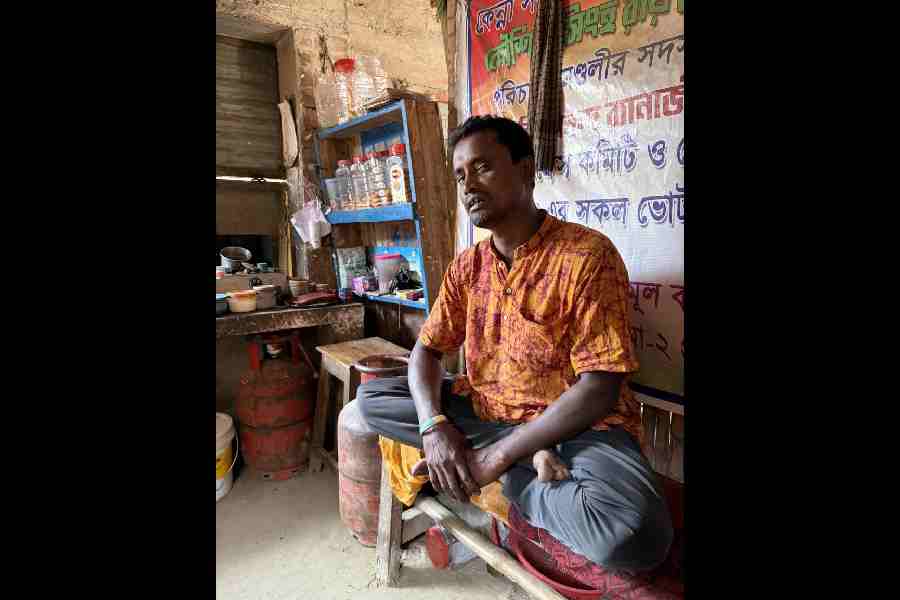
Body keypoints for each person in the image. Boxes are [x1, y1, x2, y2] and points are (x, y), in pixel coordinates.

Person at [357, 115, 673, 573]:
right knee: (372, 400)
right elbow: (426, 350)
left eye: (483, 167)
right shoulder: (468, 267)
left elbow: (600, 387)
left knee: (635, 536)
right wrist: (432, 426)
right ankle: (526, 457)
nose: (469, 186)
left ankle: (516, 464)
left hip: (577, 430)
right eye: (461, 175)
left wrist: (495, 459)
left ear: (526, 170)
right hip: (489, 413)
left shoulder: (585, 255)